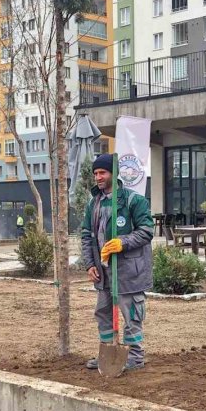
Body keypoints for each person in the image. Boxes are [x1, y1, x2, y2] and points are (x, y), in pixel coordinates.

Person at [80, 153, 154, 371]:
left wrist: (123, 242)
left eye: (102, 172)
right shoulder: (94, 203)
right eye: (95, 173)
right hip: (103, 272)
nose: (98, 177)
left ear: (113, 173)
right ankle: (107, 351)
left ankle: (135, 356)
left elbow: (147, 231)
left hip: (128, 271)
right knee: (103, 311)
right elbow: (86, 235)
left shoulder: (133, 201)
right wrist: (89, 264)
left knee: (132, 314)